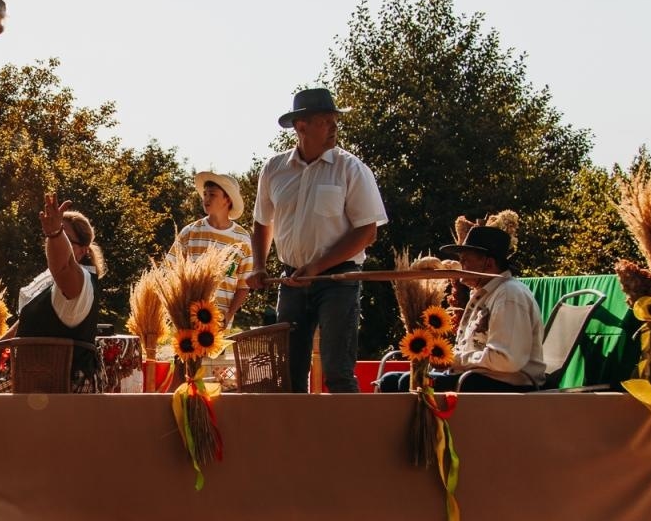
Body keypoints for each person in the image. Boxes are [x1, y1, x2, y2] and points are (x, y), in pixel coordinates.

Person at [249, 87, 388, 392]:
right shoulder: (273, 169)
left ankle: (347, 425)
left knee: (337, 370)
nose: (334, 127)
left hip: (339, 280)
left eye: (335, 120)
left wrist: (317, 266)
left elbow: (367, 232)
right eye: (326, 121)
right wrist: (258, 265)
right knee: (289, 374)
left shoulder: (351, 168)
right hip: (291, 281)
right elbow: (261, 221)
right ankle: (297, 426)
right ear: (301, 126)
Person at [378, 224, 546, 392]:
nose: (461, 265)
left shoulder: (509, 294)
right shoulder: (487, 292)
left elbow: (506, 359)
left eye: (466, 260)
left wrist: (454, 360)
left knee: (410, 383)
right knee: (390, 380)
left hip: (508, 386)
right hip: (479, 378)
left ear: (489, 264)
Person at [0, 193, 105, 391]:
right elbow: (27, 320)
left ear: (83, 251)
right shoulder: (51, 281)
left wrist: (55, 233)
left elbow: (63, 266)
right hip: (33, 382)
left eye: (67, 238)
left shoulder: (80, 281)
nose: (57, 242)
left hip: (61, 390)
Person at [175, 170, 254, 329]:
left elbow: (244, 285)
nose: (206, 199)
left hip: (219, 323)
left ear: (228, 199)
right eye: (205, 194)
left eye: (212, 194)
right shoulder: (189, 232)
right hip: (187, 321)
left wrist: (229, 314)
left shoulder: (242, 239)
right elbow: (172, 271)